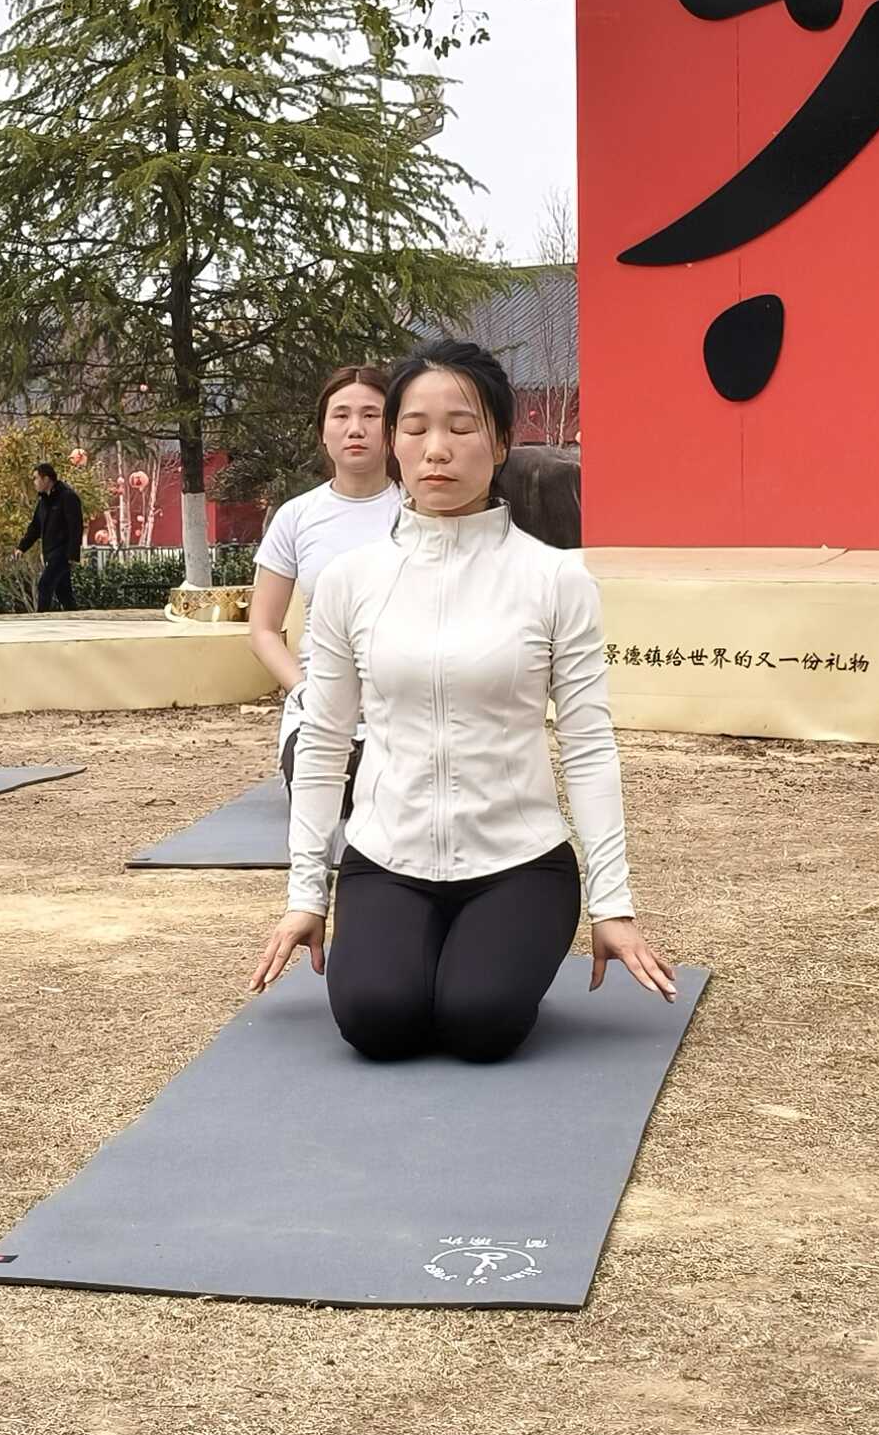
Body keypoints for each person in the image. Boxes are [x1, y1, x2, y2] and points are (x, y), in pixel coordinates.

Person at [254, 337, 674, 1060]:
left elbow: (587, 743)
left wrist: (613, 903)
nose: (437, 450)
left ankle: (495, 954)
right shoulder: (350, 581)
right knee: (376, 1021)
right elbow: (323, 740)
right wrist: (306, 895)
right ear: (394, 443)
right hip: (385, 855)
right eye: (415, 428)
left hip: (520, 860)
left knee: (481, 1023)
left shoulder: (555, 580)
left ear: (501, 441)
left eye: (461, 426)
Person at [248, 364, 402, 787]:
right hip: (319, 716)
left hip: (407, 716)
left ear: (393, 430)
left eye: (371, 415)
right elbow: (262, 629)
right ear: (323, 431)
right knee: (335, 791)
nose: (356, 429)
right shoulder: (296, 517)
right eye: (341, 415)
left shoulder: (420, 513)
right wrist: (305, 692)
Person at [25, 460, 86, 611]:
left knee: (44, 585)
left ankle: (41, 618)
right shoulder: (44, 501)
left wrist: (73, 554)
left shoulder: (67, 496)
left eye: (36, 478)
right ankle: (75, 618)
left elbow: (75, 527)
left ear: (46, 479)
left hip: (62, 552)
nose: (34, 482)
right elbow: (35, 527)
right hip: (50, 552)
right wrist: (22, 547)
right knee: (64, 592)